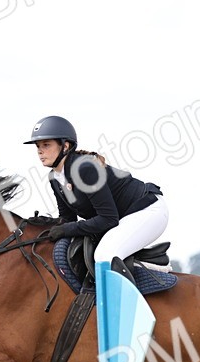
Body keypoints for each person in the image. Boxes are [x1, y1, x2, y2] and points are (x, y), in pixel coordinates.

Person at [24, 116, 168, 275]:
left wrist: (65, 229)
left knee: (104, 256)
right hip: (123, 218)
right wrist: (42, 227)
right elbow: (68, 219)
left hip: (147, 210)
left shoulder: (85, 168)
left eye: (46, 145)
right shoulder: (55, 178)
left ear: (65, 146)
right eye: (38, 146)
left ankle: (121, 299)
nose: (39, 151)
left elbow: (108, 219)